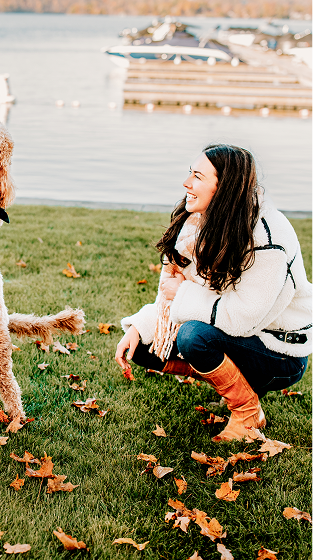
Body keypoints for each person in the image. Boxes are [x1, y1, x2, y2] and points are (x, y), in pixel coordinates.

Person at [115, 144, 312, 442]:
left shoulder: (268, 237)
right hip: (244, 333)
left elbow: (241, 317)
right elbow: (174, 294)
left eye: (197, 176)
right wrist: (140, 327)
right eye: (189, 174)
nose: (186, 184)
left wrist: (181, 293)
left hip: (280, 351)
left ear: (224, 187)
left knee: (193, 337)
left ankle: (247, 413)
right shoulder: (200, 222)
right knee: (144, 345)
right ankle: (233, 385)